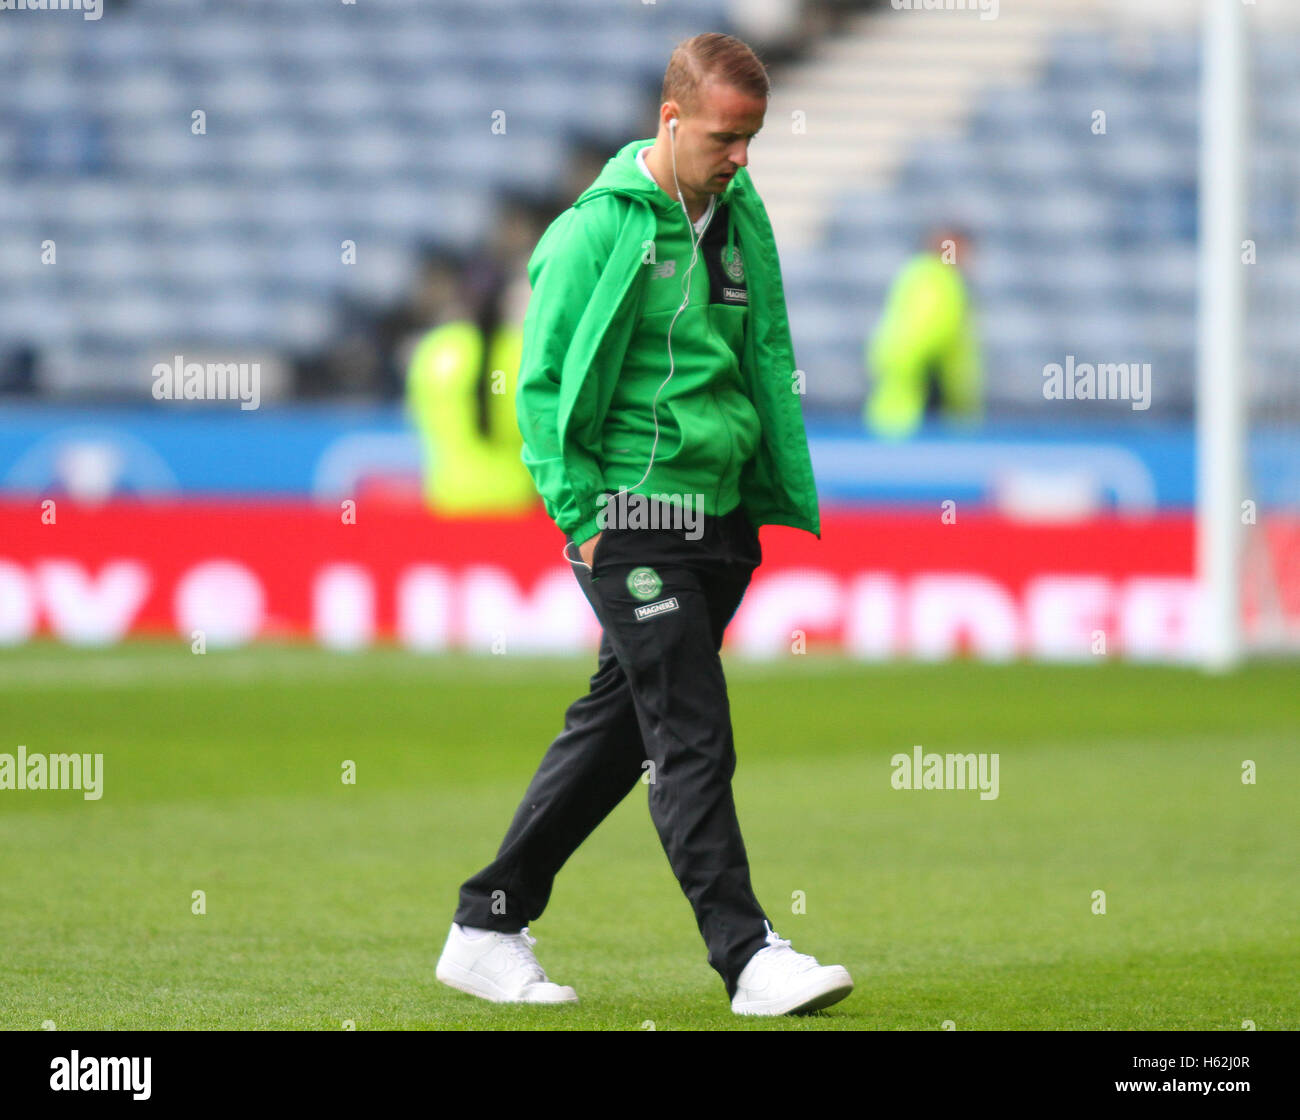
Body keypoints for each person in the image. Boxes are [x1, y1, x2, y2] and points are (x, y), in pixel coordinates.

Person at [435, 33, 853, 1017]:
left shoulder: (739, 216)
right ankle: (745, 953)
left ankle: (487, 919)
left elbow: (759, 352)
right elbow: (539, 386)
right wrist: (581, 516)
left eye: (751, 137)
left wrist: (761, 486)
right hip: (629, 515)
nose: (741, 156)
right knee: (691, 728)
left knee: (622, 728)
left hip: (716, 515)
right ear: (670, 122)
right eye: (724, 137)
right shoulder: (591, 233)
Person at [864, 226, 983, 439]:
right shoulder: (941, 281)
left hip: (901, 406)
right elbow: (926, 336)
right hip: (923, 411)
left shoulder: (916, 273)